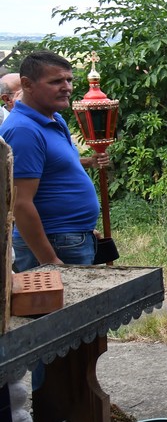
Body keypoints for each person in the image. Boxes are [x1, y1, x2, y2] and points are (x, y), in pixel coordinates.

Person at [2, 51, 109, 271]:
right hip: (54, 244)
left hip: (70, 237)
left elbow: (55, 169)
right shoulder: (24, 130)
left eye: (69, 80)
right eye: (56, 81)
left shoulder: (54, 118)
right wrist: (49, 260)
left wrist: (82, 228)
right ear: (27, 84)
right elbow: (20, 203)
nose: (67, 87)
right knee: (61, 306)